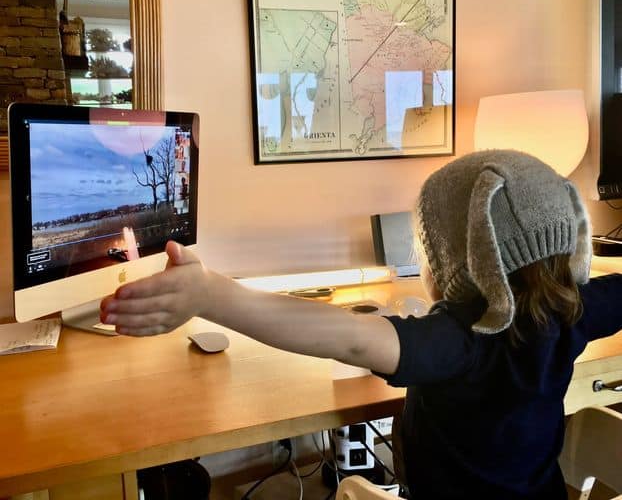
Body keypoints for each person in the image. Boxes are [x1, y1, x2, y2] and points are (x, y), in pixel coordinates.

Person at [100, 150, 622, 500]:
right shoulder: (571, 312)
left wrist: (213, 295)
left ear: (463, 259)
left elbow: (348, 336)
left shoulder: (457, 342)